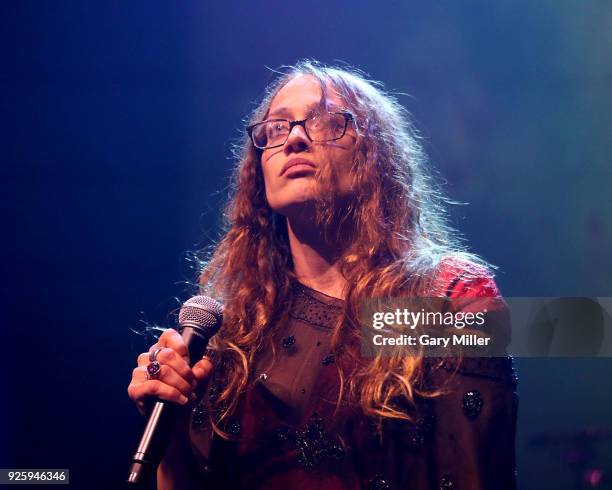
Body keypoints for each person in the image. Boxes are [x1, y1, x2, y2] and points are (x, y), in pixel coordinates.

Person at [128, 60, 518, 489]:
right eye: (276, 129)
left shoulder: (442, 295)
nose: (294, 138)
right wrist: (170, 433)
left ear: (375, 156)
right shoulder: (235, 333)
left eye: (326, 122)